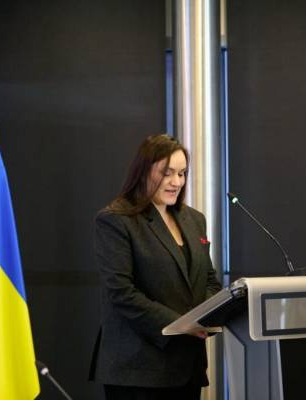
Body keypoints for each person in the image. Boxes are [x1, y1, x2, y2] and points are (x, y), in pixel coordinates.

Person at [89, 134, 222, 400]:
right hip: (138, 369)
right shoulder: (116, 219)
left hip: (187, 366)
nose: (177, 182)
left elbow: (208, 280)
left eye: (182, 173)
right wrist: (182, 324)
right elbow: (122, 293)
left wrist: (208, 316)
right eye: (167, 173)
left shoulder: (194, 219)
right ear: (143, 172)